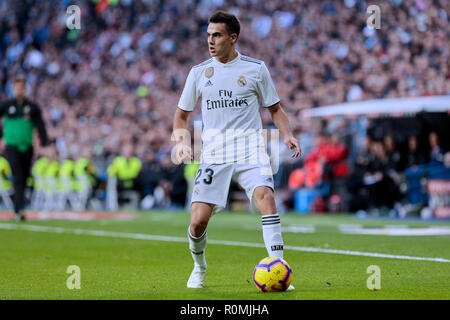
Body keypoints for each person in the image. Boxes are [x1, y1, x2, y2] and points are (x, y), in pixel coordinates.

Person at [172, 11, 301, 289]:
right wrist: (182, 143)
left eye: (216, 35)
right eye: (208, 35)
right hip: (214, 155)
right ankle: (199, 267)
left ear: (233, 38)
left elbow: (275, 109)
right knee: (197, 223)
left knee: (266, 197)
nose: (210, 40)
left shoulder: (256, 69)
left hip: (251, 151)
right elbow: (181, 115)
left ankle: (279, 268)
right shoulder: (198, 73)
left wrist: (287, 134)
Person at [0, 74, 48, 221]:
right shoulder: (7, 106)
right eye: (17, 88)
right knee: (18, 176)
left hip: (28, 146)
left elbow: (40, 125)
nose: (19, 90)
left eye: (22, 87)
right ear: (13, 89)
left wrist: (45, 143)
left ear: (25, 89)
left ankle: (20, 207)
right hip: (12, 146)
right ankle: (18, 209)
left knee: (26, 176)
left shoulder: (32, 107)